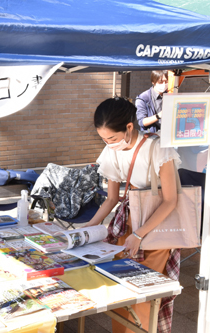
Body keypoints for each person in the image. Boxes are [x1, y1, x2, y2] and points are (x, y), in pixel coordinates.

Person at [85, 97, 181, 333]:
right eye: (104, 139)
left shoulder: (158, 148)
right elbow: (111, 199)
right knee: (119, 290)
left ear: (129, 127)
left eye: (112, 138)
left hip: (156, 228)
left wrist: (139, 234)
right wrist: (88, 227)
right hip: (127, 225)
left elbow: (171, 200)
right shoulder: (111, 151)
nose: (109, 143)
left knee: (143, 293)